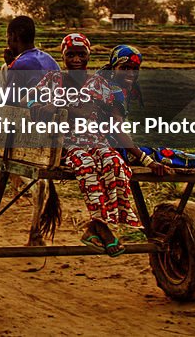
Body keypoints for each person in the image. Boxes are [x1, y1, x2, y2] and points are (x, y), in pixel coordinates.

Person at [30, 33, 168, 257]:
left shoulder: (99, 83)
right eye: (71, 54)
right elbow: (30, 98)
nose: (76, 59)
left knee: (115, 163)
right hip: (66, 144)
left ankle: (95, 228)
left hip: (96, 140)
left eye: (81, 54)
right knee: (85, 167)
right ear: (63, 56)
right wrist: (38, 105)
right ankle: (102, 229)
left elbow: (107, 114)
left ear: (88, 56)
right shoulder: (52, 79)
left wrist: (60, 108)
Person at [99, 44, 195, 179]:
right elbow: (117, 131)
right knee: (161, 154)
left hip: (113, 146)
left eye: (135, 69)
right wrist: (147, 161)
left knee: (160, 151)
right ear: (113, 68)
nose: (130, 73)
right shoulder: (113, 92)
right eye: (124, 68)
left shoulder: (113, 87)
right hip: (113, 151)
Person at [0, 15, 60, 100]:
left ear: (14, 36)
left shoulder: (19, 65)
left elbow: (9, 102)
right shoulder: (51, 60)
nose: (7, 42)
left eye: (7, 37)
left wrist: (12, 67)